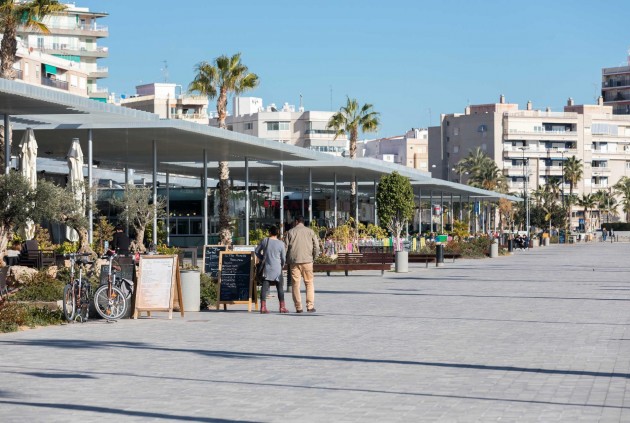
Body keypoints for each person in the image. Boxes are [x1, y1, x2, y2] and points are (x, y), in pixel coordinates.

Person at [284, 216, 320, 313]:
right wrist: (313, 257)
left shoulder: (290, 232)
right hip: (307, 261)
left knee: (295, 284)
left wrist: (284, 260)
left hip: (294, 262)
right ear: (303, 222)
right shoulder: (310, 232)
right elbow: (316, 246)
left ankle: (298, 307)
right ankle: (310, 306)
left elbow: (285, 248)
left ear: (296, 222)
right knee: (309, 283)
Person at [255, 226, 287, 314]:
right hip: (277, 268)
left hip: (267, 268)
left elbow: (256, 251)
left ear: (269, 232)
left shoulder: (265, 241)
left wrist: (262, 258)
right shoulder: (281, 243)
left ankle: (263, 307)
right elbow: (283, 258)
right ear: (277, 233)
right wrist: (282, 265)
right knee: (279, 287)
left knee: (264, 287)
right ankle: (282, 307)